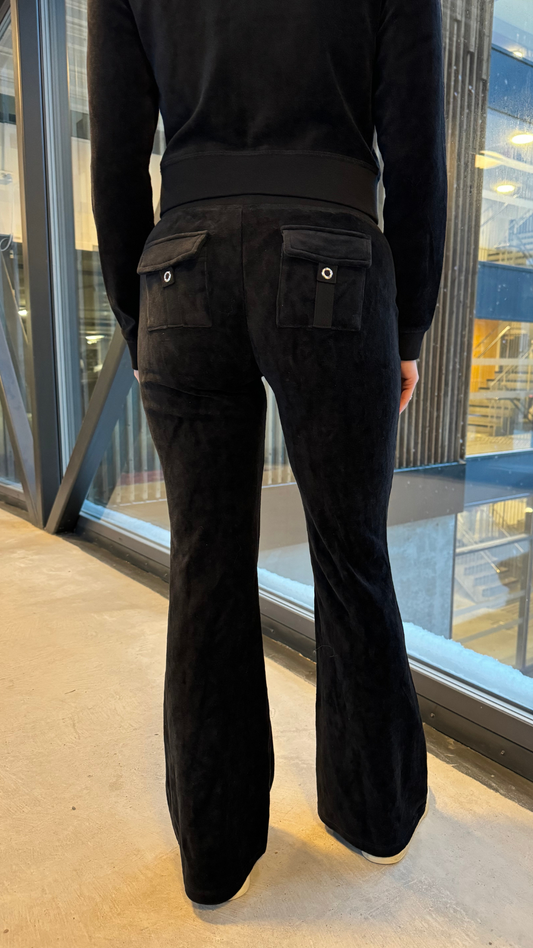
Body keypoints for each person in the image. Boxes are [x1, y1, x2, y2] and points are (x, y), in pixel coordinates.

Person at [87, 0, 447, 907]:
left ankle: (214, 851)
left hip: (182, 269)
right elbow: (414, 150)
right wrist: (405, 325)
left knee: (204, 564)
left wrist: (138, 317)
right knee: (351, 553)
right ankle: (372, 814)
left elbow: (116, 156)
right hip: (333, 263)